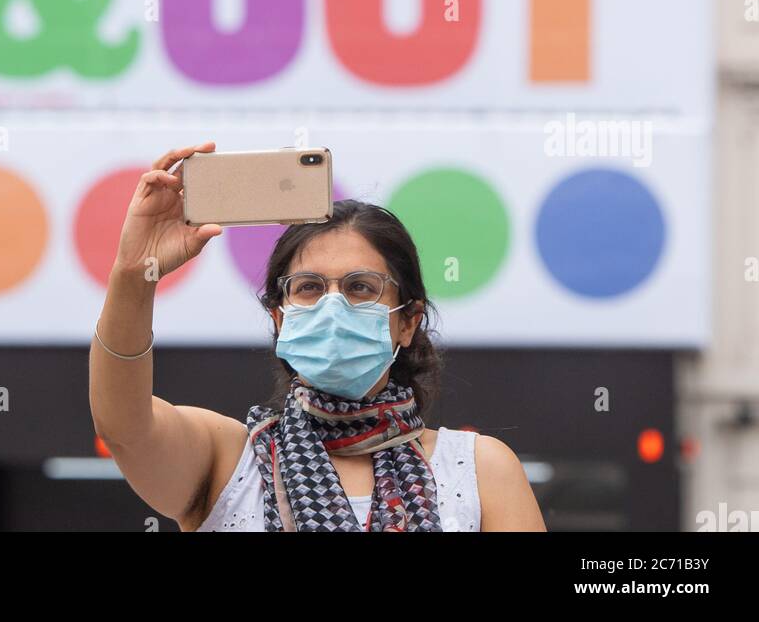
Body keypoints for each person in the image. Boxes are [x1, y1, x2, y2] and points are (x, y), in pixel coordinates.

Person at [89, 143, 547, 533]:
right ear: (279, 319)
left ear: (407, 321)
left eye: (360, 288)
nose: (334, 306)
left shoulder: (478, 468)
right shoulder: (229, 461)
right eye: (309, 288)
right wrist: (135, 272)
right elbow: (123, 426)